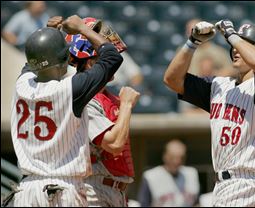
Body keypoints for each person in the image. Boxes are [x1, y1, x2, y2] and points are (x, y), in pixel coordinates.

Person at [164, 19, 255, 207]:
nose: (235, 48)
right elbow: (172, 79)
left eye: (244, 44)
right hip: (227, 185)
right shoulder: (219, 86)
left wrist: (232, 35)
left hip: (245, 182)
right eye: (235, 44)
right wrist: (192, 43)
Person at [8, 15, 123, 207]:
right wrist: (82, 29)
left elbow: (35, 59)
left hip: (26, 191)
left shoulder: (22, 84)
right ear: (64, 59)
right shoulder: (71, 88)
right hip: (64, 189)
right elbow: (113, 57)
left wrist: (50, 33)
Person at [48, 16, 140, 207]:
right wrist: (126, 106)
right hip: (93, 190)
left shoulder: (105, 96)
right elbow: (113, 144)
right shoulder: (85, 99)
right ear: (90, 64)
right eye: (101, 58)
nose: (112, 64)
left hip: (112, 190)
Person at [178, 18, 236, 114]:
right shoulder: (184, 51)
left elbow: (233, 69)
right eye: (189, 30)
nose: (191, 33)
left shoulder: (217, 51)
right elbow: (175, 74)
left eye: (195, 30)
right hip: (190, 91)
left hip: (212, 91)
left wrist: (214, 75)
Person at [138, 139, 200, 207]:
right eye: (172, 157)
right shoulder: (150, 176)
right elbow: (144, 204)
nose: (177, 161)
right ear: (165, 156)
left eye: (181, 158)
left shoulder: (192, 173)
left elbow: (196, 202)